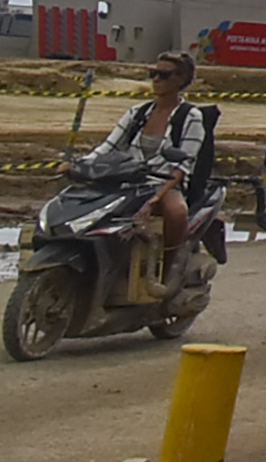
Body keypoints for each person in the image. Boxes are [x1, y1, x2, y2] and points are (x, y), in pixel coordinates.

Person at [85, 49, 219, 292]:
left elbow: (182, 165)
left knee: (177, 212)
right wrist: (81, 165)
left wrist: (155, 198)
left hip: (165, 182)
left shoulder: (191, 117)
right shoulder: (136, 113)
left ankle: (165, 274)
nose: (156, 79)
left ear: (181, 80)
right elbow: (108, 146)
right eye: (153, 74)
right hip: (130, 179)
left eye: (164, 75)